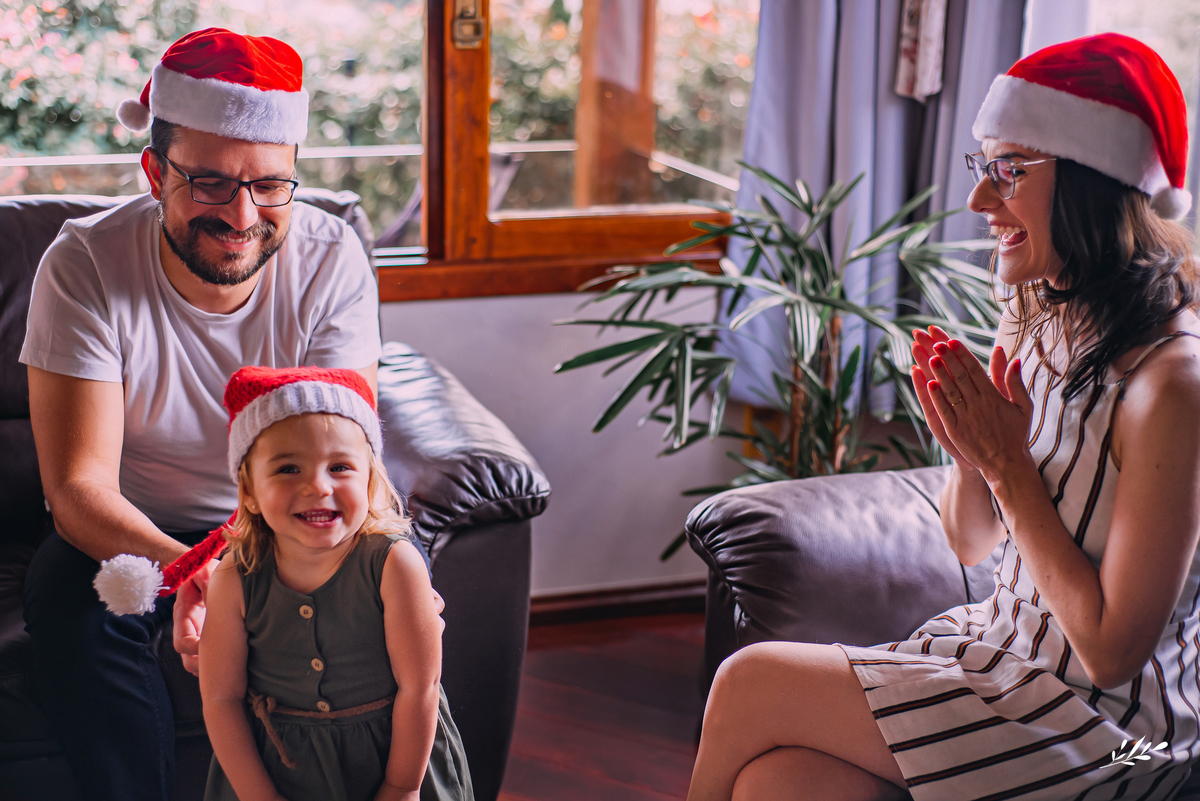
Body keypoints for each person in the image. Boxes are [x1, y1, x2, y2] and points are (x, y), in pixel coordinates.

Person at [686, 33, 1200, 801]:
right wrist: (971, 451)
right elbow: (970, 538)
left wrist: (1008, 466)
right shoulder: (1034, 310)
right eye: (982, 167)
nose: (979, 201)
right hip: (1007, 659)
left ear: (1092, 179)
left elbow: (1111, 652)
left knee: (749, 679)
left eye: (1007, 170)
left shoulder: (1174, 387)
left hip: (1128, 735)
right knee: (779, 782)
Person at [19, 28, 384, 800]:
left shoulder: (331, 258)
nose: (243, 214)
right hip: (127, 528)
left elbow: (341, 458)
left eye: (269, 184)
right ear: (155, 172)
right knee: (72, 609)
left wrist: (256, 563)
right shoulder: (83, 262)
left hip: (285, 515)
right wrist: (192, 570)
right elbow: (78, 490)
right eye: (211, 183)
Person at [200, 366, 472, 801]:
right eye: (288, 468)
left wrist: (401, 788)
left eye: (340, 467)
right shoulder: (235, 577)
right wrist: (258, 796)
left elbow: (419, 687)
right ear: (249, 491)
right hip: (278, 770)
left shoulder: (394, 563)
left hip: (392, 759)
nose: (318, 487)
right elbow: (221, 700)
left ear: (370, 479)